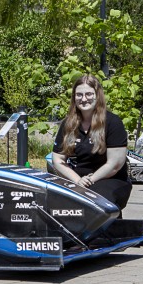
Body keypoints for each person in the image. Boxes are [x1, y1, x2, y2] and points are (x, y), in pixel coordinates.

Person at [50, 74, 132, 210]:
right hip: (78, 179)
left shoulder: (113, 122)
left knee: (94, 199)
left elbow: (115, 164)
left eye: (88, 94)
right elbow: (57, 159)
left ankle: (110, 228)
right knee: (52, 199)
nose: (83, 99)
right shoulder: (68, 124)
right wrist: (77, 180)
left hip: (109, 179)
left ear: (97, 96)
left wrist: (90, 180)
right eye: (79, 95)